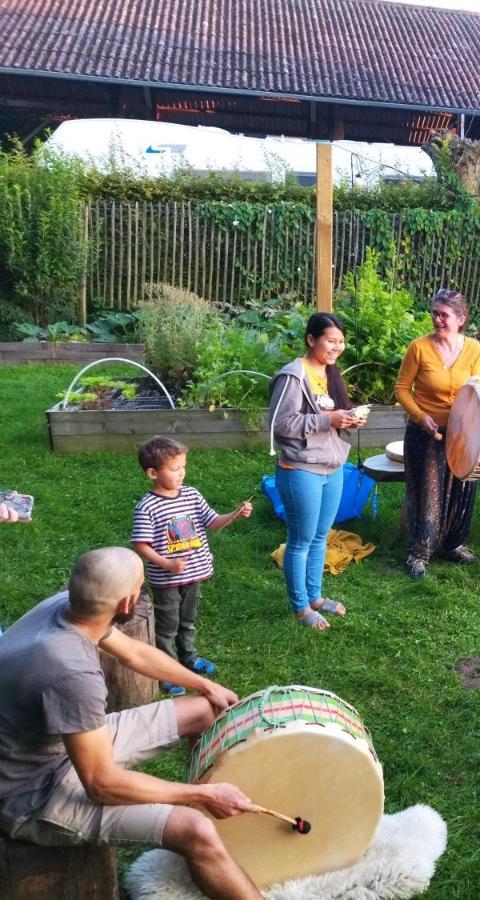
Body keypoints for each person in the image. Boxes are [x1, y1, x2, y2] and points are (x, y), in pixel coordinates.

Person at [0, 547, 261, 900]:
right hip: (30, 795)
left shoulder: (66, 607)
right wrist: (201, 794)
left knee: (204, 711)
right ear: (127, 604)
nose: (143, 593)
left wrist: (205, 685)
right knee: (193, 828)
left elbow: (136, 652)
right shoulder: (72, 673)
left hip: (58, 746)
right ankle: (206, 830)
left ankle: (221, 831)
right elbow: (102, 784)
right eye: (141, 587)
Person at [131, 436, 252, 696]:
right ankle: (168, 670)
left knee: (188, 621)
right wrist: (166, 563)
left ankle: (189, 658)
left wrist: (235, 514)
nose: (182, 473)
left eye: (183, 466)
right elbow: (141, 544)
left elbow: (214, 522)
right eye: (175, 469)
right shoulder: (147, 507)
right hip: (166, 580)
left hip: (194, 575)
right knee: (167, 627)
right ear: (153, 473)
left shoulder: (192, 495)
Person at [267, 312, 363, 628]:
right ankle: (300, 607)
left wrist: (348, 418)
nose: (337, 347)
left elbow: (329, 416)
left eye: (340, 342)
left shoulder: (330, 373)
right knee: (301, 539)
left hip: (332, 466)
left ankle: (316, 597)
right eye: (330, 341)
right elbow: (280, 426)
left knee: (321, 536)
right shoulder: (293, 376)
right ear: (311, 339)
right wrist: (329, 420)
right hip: (300, 469)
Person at [394, 288, 480, 579]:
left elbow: (475, 388)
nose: (437, 319)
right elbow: (401, 390)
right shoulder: (418, 348)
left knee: (462, 487)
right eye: (434, 313)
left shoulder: (473, 349)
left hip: (462, 432)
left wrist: (472, 424)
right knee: (428, 492)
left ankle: (452, 544)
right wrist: (421, 417)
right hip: (424, 433)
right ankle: (419, 553)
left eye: (443, 315)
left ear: (461, 318)